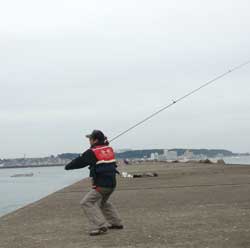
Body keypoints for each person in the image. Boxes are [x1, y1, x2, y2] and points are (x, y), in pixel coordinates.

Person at [65, 130, 123, 236]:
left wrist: (67, 166)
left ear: (95, 140)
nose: (89, 141)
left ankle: (100, 225)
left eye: (90, 139)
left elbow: (77, 163)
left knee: (86, 202)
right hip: (112, 184)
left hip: (101, 185)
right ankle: (116, 222)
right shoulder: (109, 149)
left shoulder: (92, 152)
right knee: (102, 203)